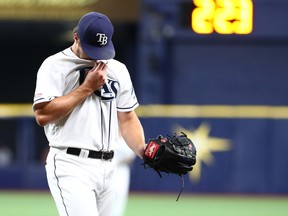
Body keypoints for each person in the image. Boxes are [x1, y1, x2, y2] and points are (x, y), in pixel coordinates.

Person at [33, 11, 146, 216]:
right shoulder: (54, 66)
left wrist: (144, 151)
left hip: (110, 167)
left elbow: (128, 118)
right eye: (91, 48)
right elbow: (43, 115)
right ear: (76, 37)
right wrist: (86, 88)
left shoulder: (118, 70)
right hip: (71, 164)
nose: (97, 55)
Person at [112, 134, 136, 216]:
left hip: (122, 169)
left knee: (120, 194)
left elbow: (131, 155)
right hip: (108, 167)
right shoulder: (110, 134)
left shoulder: (128, 135)